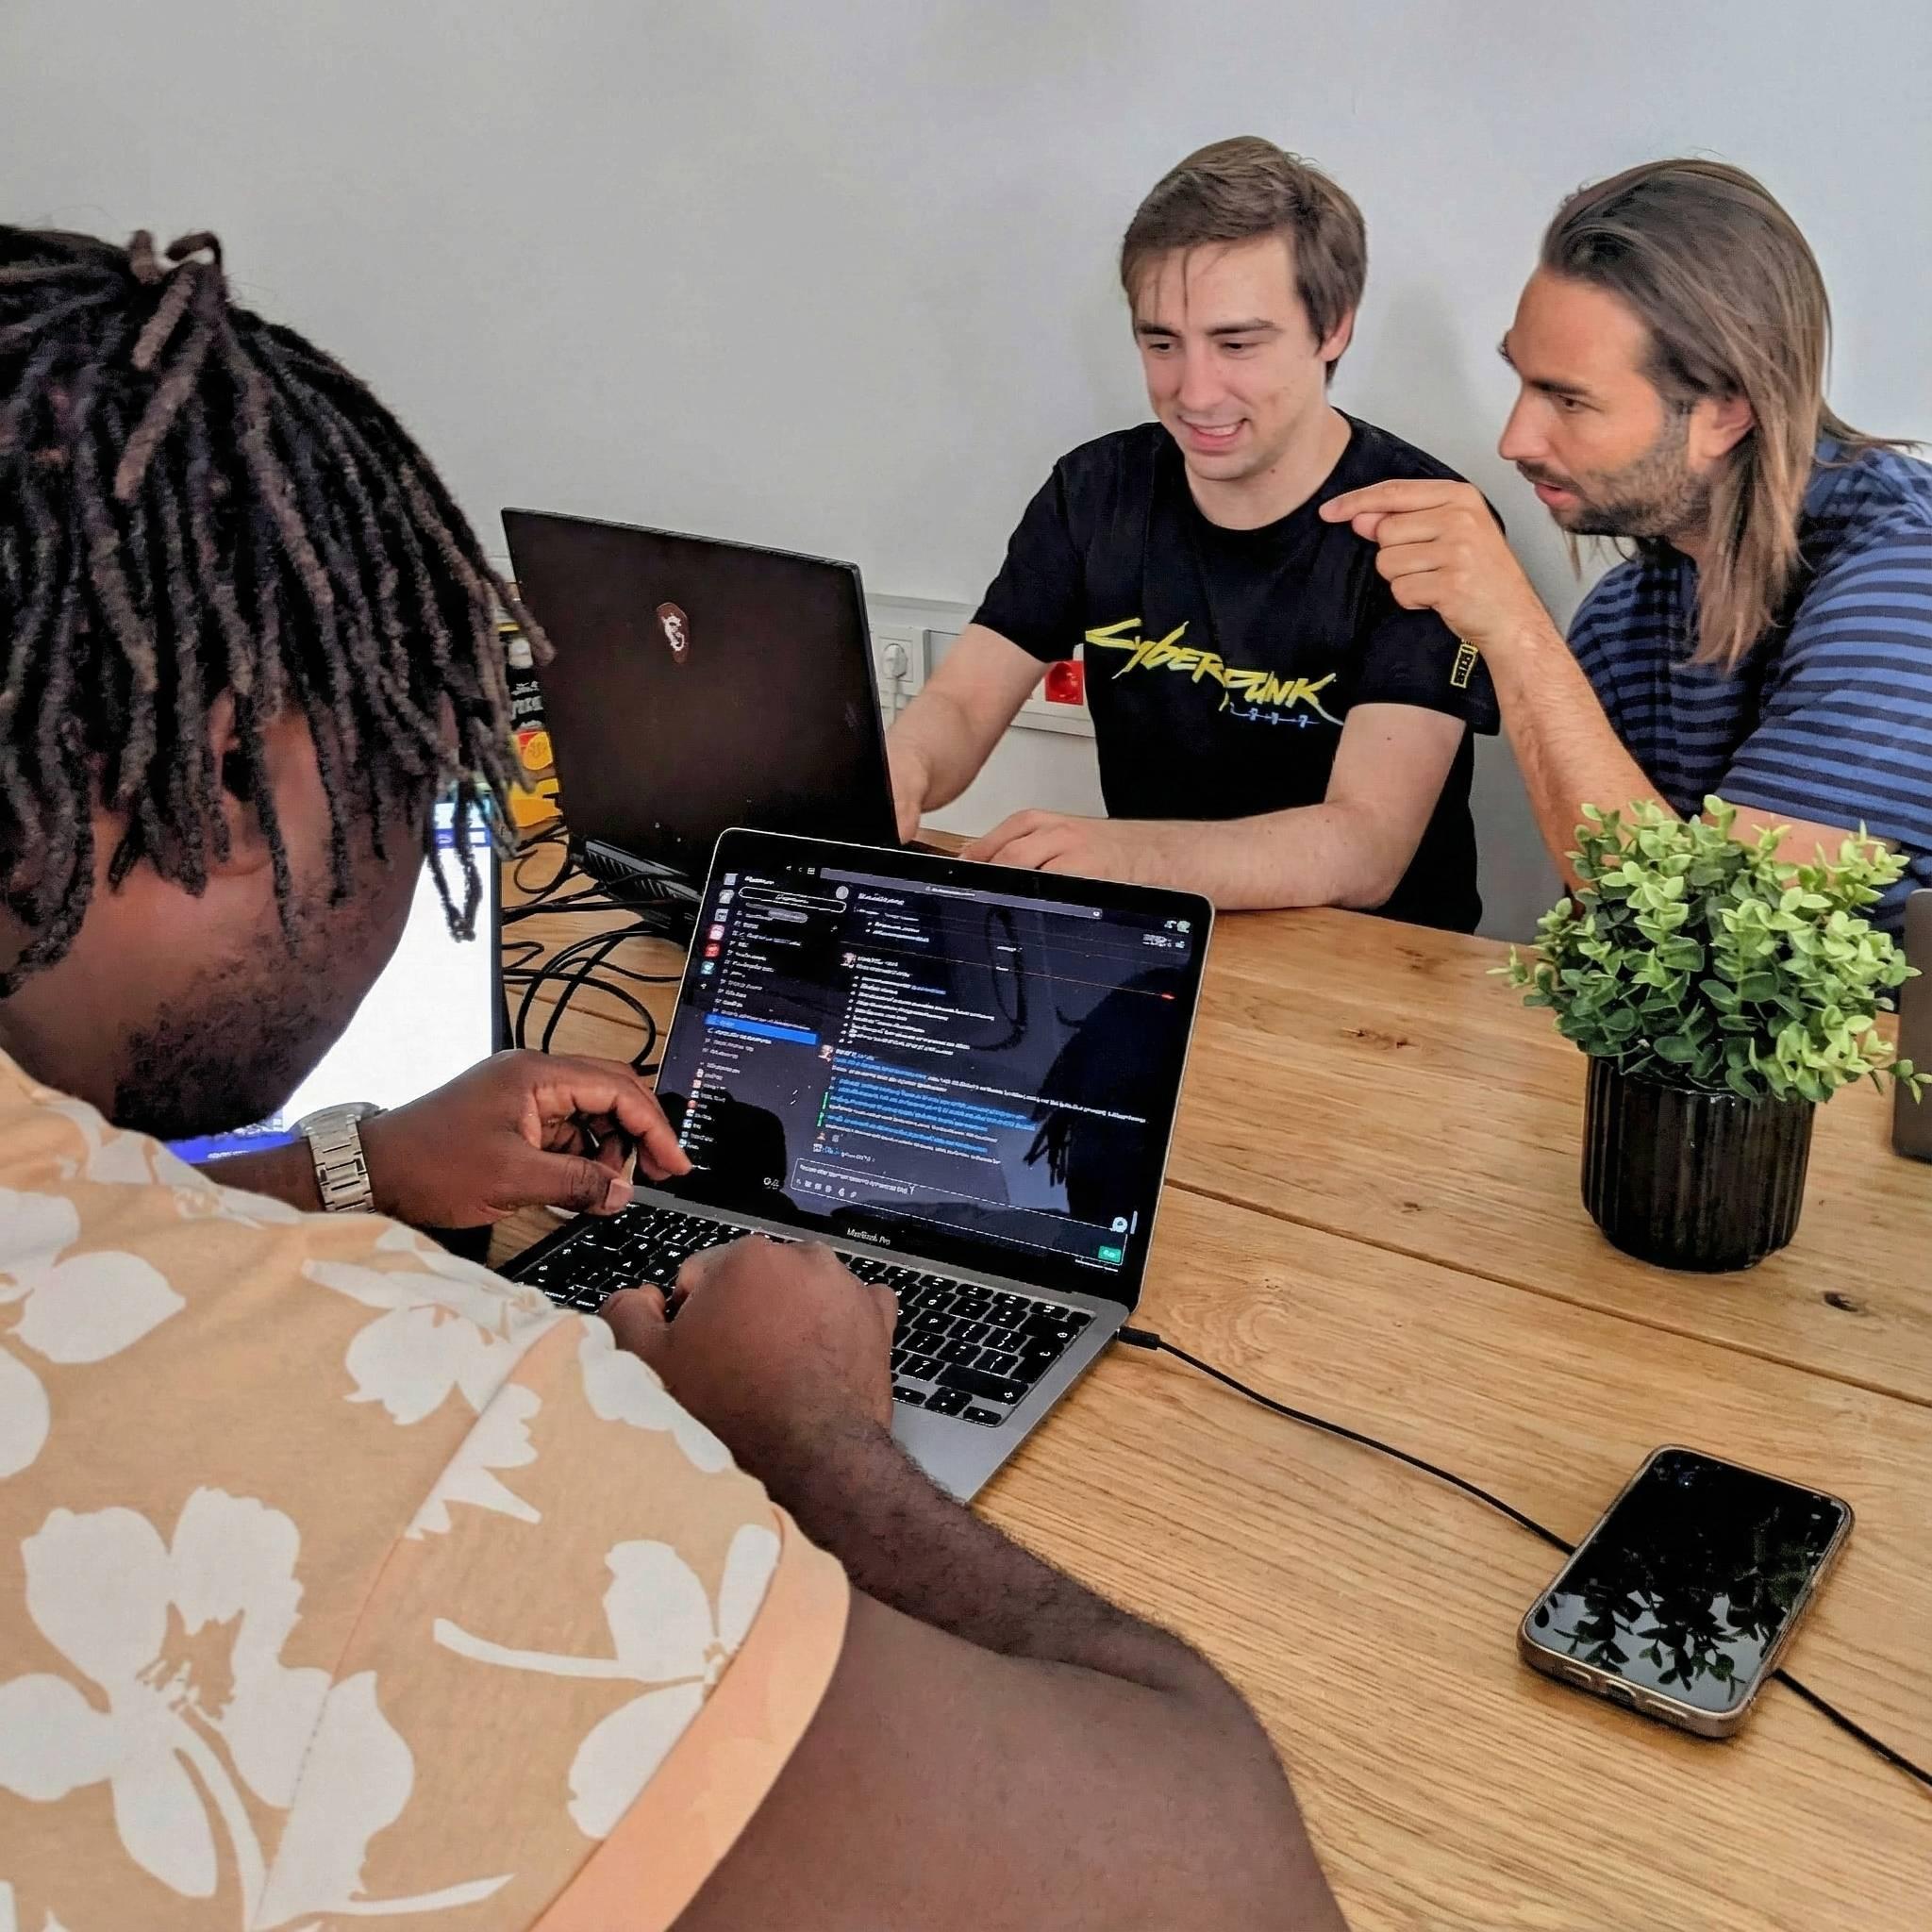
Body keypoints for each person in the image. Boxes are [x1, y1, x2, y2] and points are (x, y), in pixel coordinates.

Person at [0, 225, 1343, 1930]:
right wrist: (806, 1430)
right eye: (427, 747)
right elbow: (1219, 1885)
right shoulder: (447, 1433)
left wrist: (352, 1167)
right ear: (221, 776)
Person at [887, 136, 1500, 932]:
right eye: (1161, 343)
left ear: (1334, 328)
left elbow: (1366, 849)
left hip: (1374, 978)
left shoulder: (1427, 525)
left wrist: (1124, 860)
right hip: (1164, 946)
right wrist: (901, 766)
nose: (1195, 392)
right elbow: (965, 701)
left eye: (1238, 343)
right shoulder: (1094, 491)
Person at [1322, 158, 1932, 934]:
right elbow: (1622, 960)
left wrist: (1515, 632)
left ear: (1725, 410)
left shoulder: (1908, 587)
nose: (1515, 439)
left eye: (1568, 399)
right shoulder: (1624, 617)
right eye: (1524, 381)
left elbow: (1717, 952)